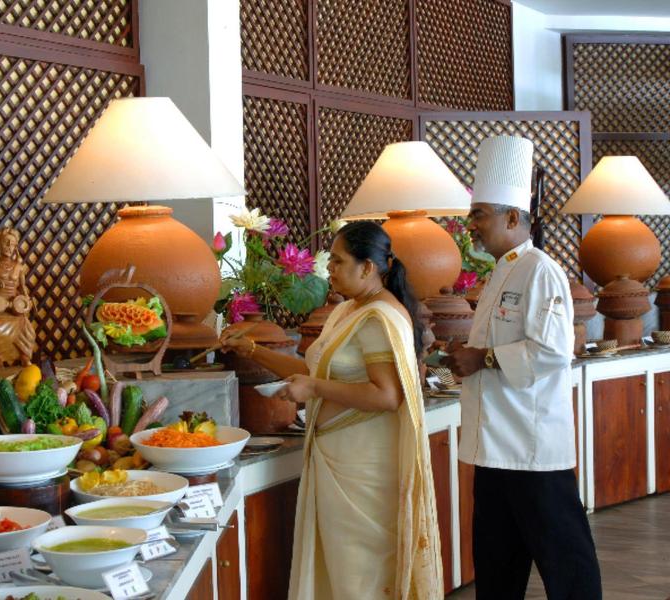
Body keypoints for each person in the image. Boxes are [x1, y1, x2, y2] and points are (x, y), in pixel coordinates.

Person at [220, 221, 443, 599]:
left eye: (338, 262)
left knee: (361, 576)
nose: (329, 270)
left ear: (368, 267)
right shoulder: (350, 309)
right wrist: (253, 351)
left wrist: (316, 389)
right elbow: (312, 370)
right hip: (337, 457)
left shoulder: (378, 318)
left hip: (363, 468)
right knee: (339, 573)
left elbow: (388, 396)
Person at [442, 135, 602, 599]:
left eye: (479, 214)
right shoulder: (499, 272)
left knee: (565, 557)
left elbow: (553, 352)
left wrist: (483, 357)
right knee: (496, 562)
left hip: (532, 448)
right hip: (492, 447)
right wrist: (464, 354)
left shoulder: (540, 270)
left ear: (513, 218)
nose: (470, 225)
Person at [0, 227, 36, 367]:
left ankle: (24, 356)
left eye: (12, 244)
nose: (9, 247)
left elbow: (23, 287)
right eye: (6, 242)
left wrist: (27, 300)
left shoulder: (19, 265)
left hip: (15, 306)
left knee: (26, 328)